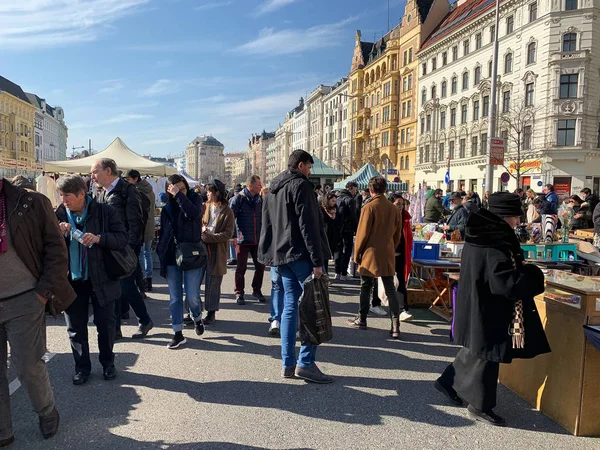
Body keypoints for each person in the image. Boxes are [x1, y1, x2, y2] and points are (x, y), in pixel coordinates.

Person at [435, 192, 550, 426]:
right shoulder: (495, 240)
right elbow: (504, 282)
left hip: (478, 301)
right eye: (516, 217)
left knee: (477, 348)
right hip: (491, 306)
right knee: (489, 353)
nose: (518, 221)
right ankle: (480, 405)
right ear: (505, 216)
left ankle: (448, 382)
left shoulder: (482, 233)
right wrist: (533, 274)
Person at [0, 175, 75, 444]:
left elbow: (56, 249)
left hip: (25, 298)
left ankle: (46, 411)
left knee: (28, 365)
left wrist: (43, 293)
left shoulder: (30, 201)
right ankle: (3, 430)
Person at [258, 149, 333, 384]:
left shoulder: (273, 189)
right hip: (299, 253)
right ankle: (306, 363)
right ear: (301, 165)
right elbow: (308, 225)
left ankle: (287, 363)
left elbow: (267, 225)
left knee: (290, 305)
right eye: (309, 167)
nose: (310, 172)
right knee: (313, 305)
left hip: (281, 255)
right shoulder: (300, 186)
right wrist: (317, 261)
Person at [55, 175, 128, 383]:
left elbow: (123, 238)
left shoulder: (105, 211)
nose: (64, 200)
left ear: (81, 194)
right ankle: (82, 368)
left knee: (105, 325)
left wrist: (99, 238)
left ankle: (108, 363)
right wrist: (59, 234)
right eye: (61, 196)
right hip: (72, 280)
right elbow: (47, 246)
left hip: (102, 278)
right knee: (75, 328)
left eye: (67, 195)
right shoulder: (58, 215)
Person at [91, 158, 153, 339]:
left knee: (126, 286)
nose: (92, 175)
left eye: (95, 171)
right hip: (107, 246)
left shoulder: (127, 190)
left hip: (122, 248)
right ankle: (116, 329)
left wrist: (128, 249)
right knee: (115, 289)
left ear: (108, 171)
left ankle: (144, 320)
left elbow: (135, 222)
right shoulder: (103, 192)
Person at [348, 176, 403, 338]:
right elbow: (397, 234)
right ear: (384, 189)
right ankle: (395, 325)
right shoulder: (394, 209)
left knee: (366, 286)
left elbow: (362, 234)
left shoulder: (369, 207)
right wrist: (390, 246)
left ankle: (362, 318)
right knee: (390, 288)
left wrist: (357, 254)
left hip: (370, 252)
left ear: (371, 190)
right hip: (387, 251)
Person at [156, 174, 205, 349]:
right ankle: (178, 333)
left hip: (191, 253)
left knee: (192, 296)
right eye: (174, 189)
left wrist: (180, 195)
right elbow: (163, 232)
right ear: (168, 191)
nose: (179, 192)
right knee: (175, 298)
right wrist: (160, 250)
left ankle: (197, 317)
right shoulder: (168, 207)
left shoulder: (195, 199)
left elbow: (193, 214)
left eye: (182, 188)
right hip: (171, 255)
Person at [201, 180, 235, 324]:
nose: (207, 193)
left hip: (217, 251)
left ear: (217, 194)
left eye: (210, 191)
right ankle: (193, 312)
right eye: (207, 191)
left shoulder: (227, 211)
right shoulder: (205, 207)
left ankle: (211, 312)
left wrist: (211, 237)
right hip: (201, 249)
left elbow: (228, 234)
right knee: (194, 282)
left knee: (213, 283)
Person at [230, 175, 266, 305]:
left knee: (260, 267)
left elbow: (263, 218)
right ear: (250, 186)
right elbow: (230, 219)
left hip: (257, 240)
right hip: (243, 240)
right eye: (258, 185)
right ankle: (239, 293)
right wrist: (234, 236)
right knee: (241, 268)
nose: (261, 187)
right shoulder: (238, 199)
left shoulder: (259, 199)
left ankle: (257, 290)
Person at [125, 170, 157, 293]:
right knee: (147, 253)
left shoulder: (136, 191)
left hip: (141, 226)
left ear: (135, 179)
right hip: (149, 225)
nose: (127, 182)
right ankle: (148, 279)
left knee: (140, 254)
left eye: (128, 179)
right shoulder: (150, 189)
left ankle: (143, 280)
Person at [393, 195, 414, 322]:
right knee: (386, 282)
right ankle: (375, 303)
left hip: (401, 254)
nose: (400, 206)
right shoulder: (387, 218)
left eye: (402, 204)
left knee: (401, 281)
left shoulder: (405, 218)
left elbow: (408, 238)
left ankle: (403, 310)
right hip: (388, 254)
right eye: (398, 204)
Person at [334, 181, 359, 281]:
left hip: (337, 228)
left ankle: (337, 272)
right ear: (351, 188)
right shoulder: (350, 200)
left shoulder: (337, 198)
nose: (355, 192)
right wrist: (356, 229)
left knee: (338, 250)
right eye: (355, 190)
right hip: (347, 229)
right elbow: (353, 216)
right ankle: (344, 272)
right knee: (347, 250)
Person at [320, 192, 341, 276]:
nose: (334, 203)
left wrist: (334, 216)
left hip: (333, 235)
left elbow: (339, 221)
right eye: (332, 201)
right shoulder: (321, 209)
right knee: (324, 257)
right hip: (324, 234)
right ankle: (325, 276)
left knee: (328, 256)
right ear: (327, 200)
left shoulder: (336, 209)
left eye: (335, 201)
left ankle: (326, 275)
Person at [227, 186, 242, 266]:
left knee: (234, 241)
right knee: (233, 241)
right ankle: (234, 257)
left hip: (236, 223)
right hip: (234, 223)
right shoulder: (232, 200)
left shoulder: (233, 200)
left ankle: (235, 258)